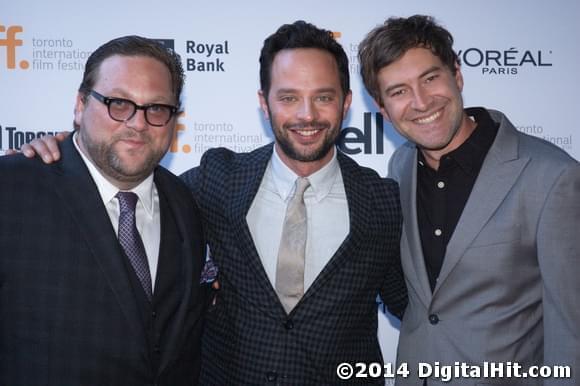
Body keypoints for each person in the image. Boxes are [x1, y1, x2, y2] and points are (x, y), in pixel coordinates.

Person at [19, 21, 408, 384]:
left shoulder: (383, 200)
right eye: (288, 97)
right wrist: (63, 150)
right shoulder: (214, 181)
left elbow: (417, 305)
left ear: (346, 102)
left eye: (323, 97)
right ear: (264, 101)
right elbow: (121, 170)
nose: (306, 114)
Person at [358, 15, 580, 386]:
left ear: (457, 75)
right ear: (383, 109)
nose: (421, 101)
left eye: (430, 78)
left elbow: (571, 332)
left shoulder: (551, 176)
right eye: (398, 91)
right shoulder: (400, 168)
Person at [0, 36, 208, 386]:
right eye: (118, 103)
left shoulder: (187, 202)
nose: (138, 123)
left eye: (156, 108)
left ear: (175, 119)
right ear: (80, 106)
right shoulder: (12, 190)